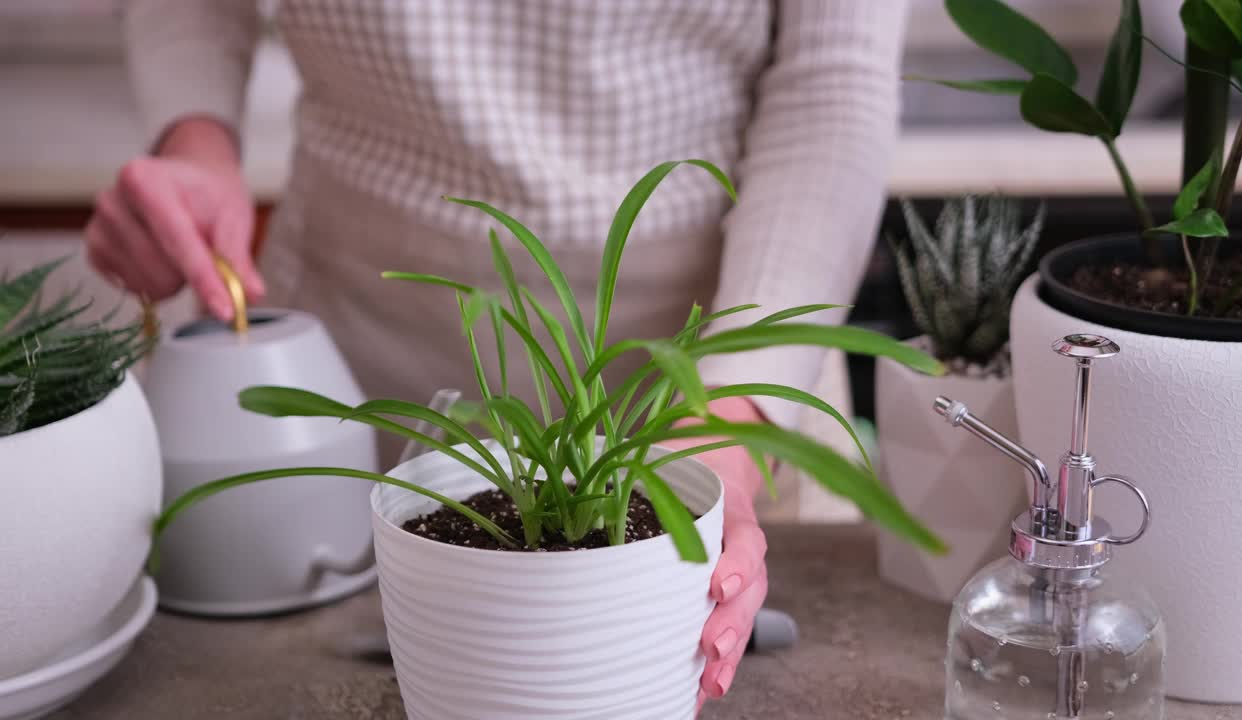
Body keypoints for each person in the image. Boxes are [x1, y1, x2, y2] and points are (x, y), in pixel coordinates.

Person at [88, 1, 908, 709]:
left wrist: (726, 418)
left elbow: (832, 80)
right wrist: (195, 136)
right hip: (357, 349)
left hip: (710, 358)